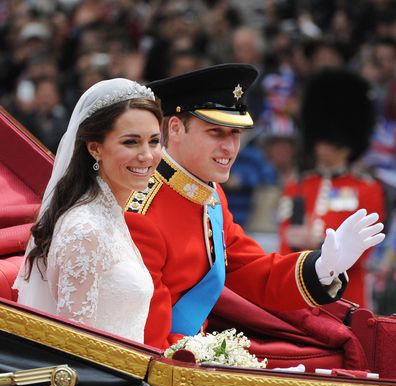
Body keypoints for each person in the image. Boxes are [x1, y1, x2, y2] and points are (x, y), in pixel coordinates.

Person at [124, 63, 385, 350]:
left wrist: (321, 266)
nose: (230, 147)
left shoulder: (211, 195)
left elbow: (252, 270)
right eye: (216, 132)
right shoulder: (142, 209)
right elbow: (148, 340)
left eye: (235, 134)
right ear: (175, 128)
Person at [13, 78, 163, 343]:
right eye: (130, 142)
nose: (147, 155)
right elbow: (76, 349)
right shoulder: (85, 228)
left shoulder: (108, 214)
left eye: (154, 141)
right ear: (95, 148)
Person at [278, 68, 386, 308]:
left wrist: (320, 240)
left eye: (331, 141)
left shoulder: (366, 188)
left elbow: (366, 249)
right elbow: (285, 240)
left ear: (347, 145)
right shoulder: (298, 185)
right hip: (301, 288)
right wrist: (294, 240)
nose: (323, 147)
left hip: (348, 294)